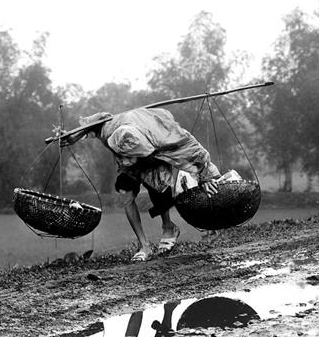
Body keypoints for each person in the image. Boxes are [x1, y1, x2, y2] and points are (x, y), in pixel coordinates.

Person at [59, 108, 237, 261]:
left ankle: (169, 227)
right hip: (136, 146)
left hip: (153, 152)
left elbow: (195, 151)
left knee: (159, 186)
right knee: (124, 190)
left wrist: (207, 177)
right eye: (124, 155)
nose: (127, 162)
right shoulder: (108, 128)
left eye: (130, 156)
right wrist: (74, 135)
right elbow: (95, 121)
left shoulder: (166, 136)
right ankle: (144, 246)